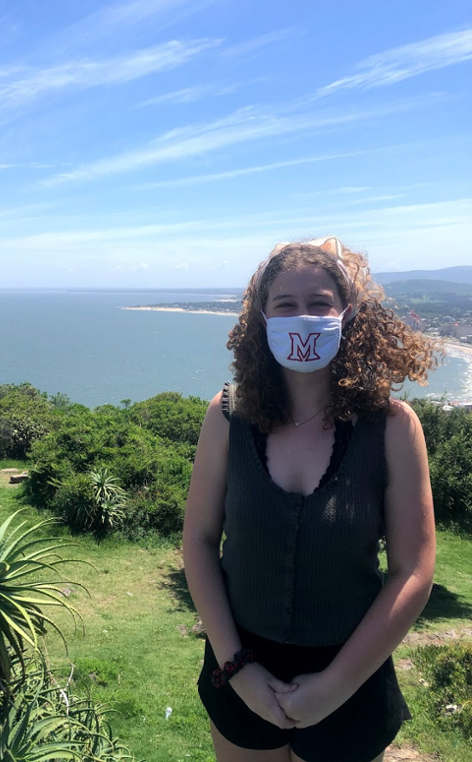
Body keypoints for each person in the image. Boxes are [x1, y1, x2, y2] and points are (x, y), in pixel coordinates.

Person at [183, 237, 438, 762]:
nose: (304, 318)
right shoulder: (227, 416)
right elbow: (201, 542)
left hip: (353, 675)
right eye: (286, 305)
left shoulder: (391, 426)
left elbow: (413, 570)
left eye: (319, 303)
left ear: (347, 313)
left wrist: (336, 686)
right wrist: (237, 669)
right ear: (262, 316)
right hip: (240, 669)